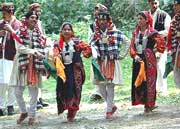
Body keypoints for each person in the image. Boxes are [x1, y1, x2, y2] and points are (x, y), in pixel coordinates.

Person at [90, 10, 130, 119]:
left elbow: (127, 42)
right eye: (100, 19)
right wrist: (94, 53)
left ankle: (108, 111)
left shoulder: (116, 32)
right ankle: (111, 106)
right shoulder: (95, 34)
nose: (102, 22)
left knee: (110, 85)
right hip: (100, 61)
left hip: (112, 61)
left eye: (104, 19)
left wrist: (122, 55)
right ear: (97, 21)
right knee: (100, 86)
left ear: (108, 21)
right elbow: (91, 45)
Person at [8, 11, 46, 125]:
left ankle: (32, 116)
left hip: (35, 64)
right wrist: (34, 52)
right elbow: (19, 48)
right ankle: (24, 111)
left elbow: (45, 44)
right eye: (32, 18)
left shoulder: (39, 33)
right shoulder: (20, 32)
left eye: (36, 18)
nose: (34, 20)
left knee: (34, 92)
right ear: (27, 19)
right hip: (21, 63)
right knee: (17, 91)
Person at [54, 22, 91, 122]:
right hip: (63, 71)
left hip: (75, 71)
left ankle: (72, 112)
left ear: (72, 31)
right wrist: (57, 57)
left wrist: (86, 51)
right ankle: (67, 108)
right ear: (61, 31)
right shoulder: (58, 44)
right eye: (64, 29)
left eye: (68, 29)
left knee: (75, 90)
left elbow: (88, 51)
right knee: (64, 90)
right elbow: (54, 55)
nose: (67, 31)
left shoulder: (77, 42)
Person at [130, 11, 166, 113]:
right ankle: (143, 102)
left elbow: (162, 42)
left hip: (149, 60)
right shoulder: (135, 33)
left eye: (141, 18)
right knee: (140, 82)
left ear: (147, 20)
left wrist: (157, 51)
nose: (139, 21)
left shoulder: (153, 32)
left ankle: (149, 104)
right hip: (138, 60)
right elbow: (132, 47)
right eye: (138, 19)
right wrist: (134, 55)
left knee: (149, 82)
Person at [0, 2, 21, 116]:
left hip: (12, 55)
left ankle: (10, 105)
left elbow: (20, 39)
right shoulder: (0, 23)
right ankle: (1, 105)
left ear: (10, 12)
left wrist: (10, 31)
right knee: (1, 82)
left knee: (11, 81)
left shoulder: (17, 24)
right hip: (1, 56)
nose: (3, 15)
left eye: (4, 13)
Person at [148, 0, 171, 94]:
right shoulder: (146, 15)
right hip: (149, 44)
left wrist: (155, 34)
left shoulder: (164, 15)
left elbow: (168, 30)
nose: (154, 5)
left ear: (159, 3)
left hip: (161, 44)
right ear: (149, 3)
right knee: (150, 67)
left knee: (160, 66)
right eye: (152, 3)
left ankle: (163, 89)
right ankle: (153, 88)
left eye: (155, 3)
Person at [29, 3, 48, 109]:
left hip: (41, 50)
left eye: (39, 10)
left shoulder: (40, 22)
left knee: (40, 75)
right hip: (33, 51)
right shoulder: (29, 23)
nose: (39, 12)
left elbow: (42, 35)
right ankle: (35, 100)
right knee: (33, 75)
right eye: (36, 10)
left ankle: (40, 98)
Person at [88, 3, 108, 102]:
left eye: (99, 11)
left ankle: (108, 96)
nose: (96, 13)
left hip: (107, 53)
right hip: (96, 52)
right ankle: (99, 93)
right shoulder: (92, 26)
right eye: (95, 11)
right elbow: (90, 40)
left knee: (108, 74)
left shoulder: (110, 24)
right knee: (97, 73)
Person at [167, 0, 180, 88]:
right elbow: (170, 35)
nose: (174, 7)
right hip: (177, 50)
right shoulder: (175, 18)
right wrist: (170, 48)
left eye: (176, 5)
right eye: (174, 5)